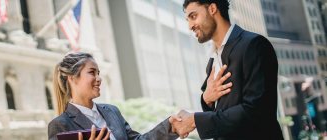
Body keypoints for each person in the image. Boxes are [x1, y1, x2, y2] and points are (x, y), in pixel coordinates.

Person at [169, 0, 284, 139]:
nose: (190, 26)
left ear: (212, 8)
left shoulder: (254, 45)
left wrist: (195, 120)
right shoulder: (212, 62)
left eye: (193, 16)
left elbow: (256, 111)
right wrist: (206, 100)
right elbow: (222, 113)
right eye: (188, 20)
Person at [48, 52, 179, 140]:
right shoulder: (60, 125)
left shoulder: (112, 111)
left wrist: (170, 126)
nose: (99, 78)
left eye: (98, 73)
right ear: (72, 79)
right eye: (92, 72)